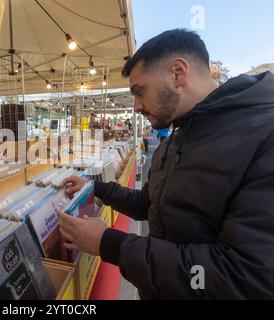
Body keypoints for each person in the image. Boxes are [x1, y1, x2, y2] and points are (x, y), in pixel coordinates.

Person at [57, 29, 274, 299]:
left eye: (140, 91)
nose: (136, 106)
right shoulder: (178, 136)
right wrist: (96, 187)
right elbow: (151, 205)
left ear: (178, 73)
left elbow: (243, 277)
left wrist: (111, 244)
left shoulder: (265, 135)